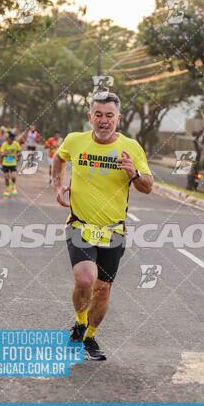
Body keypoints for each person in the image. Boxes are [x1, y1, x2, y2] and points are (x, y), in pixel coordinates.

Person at [52, 92, 153, 361]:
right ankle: (80, 321)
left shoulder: (131, 147)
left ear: (118, 118)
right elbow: (59, 158)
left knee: (103, 288)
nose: (104, 120)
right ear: (89, 117)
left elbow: (148, 187)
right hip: (80, 225)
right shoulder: (75, 141)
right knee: (85, 278)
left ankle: (89, 336)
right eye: (98, 114)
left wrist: (134, 173)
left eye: (110, 115)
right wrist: (57, 186)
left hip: (114, 230)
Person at [0, 131, 21, 197]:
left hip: (13, 163)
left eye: (12, 140)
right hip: (5, 164)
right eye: (9, 139)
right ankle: (8, 189)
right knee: (6, 178)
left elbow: (20, 152)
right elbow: (1, 153)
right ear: (7, 139)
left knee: (13, 177)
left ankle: (13, 187)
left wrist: (17, 156)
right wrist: (3, 154)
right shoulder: (4, 144)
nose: (10, 141)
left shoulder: (16, 144)